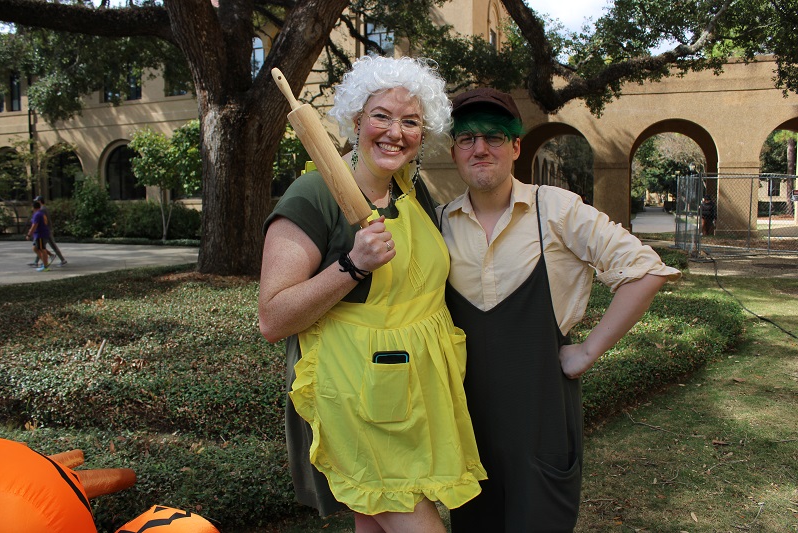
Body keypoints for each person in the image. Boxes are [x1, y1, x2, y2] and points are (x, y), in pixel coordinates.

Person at [258, 56, 486, 532]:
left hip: (414, 389)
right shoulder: (312, 196)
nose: (395, 132)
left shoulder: (409, 188)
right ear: (356, 120)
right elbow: (273, 319)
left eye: (411, 122)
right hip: (352, 394)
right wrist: (352, 266)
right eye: (381, 116)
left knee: (374, 524)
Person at [438, 88, 682, 532]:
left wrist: (587, 351)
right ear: (453, 150)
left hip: (543, 414)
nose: (480, 149)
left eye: (494, 137)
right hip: (466, 420)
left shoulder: (556, 209)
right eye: (467, 138)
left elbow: (646, 270)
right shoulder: (437, 223)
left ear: (516, 147)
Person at [28, 196, 67, 267]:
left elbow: (43, 221)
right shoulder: (43, 209)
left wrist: (31, 233)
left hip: (44, 231)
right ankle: (38, 262)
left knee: (43, 247)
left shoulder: (41, 210)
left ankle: (60, 260)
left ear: (39, 201)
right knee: (40, 247)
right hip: (45, 231)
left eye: (36, 201)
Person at [26, 199, 52, 272]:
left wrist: (29, 234)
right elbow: (45, 222)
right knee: (35, 248)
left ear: (33, 207)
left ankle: (45, 266)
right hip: (40, 234)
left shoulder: (37, 214)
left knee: (42, 249)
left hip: (40, 235)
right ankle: (45, 263)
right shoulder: (41, 213)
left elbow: (34, 225)